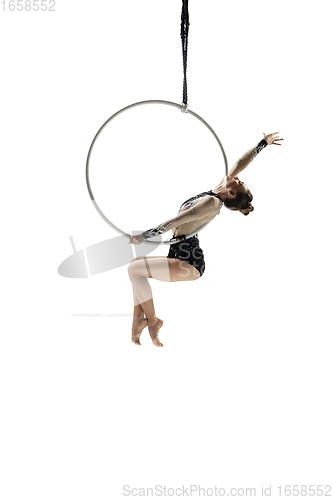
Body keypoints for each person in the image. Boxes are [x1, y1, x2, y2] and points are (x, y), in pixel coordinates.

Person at [128, 132, 283, 347]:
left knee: (135, 270)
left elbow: (177, 221)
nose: (239, 178)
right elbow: (240, 163)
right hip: (179, 254)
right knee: (137, 269)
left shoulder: (211, 203)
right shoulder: (217, 190)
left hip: (189, 262)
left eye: (241, 184)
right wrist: (262, 144)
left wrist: (145, 236)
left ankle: (152, 321)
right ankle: (140, 320)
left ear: (231, 193)